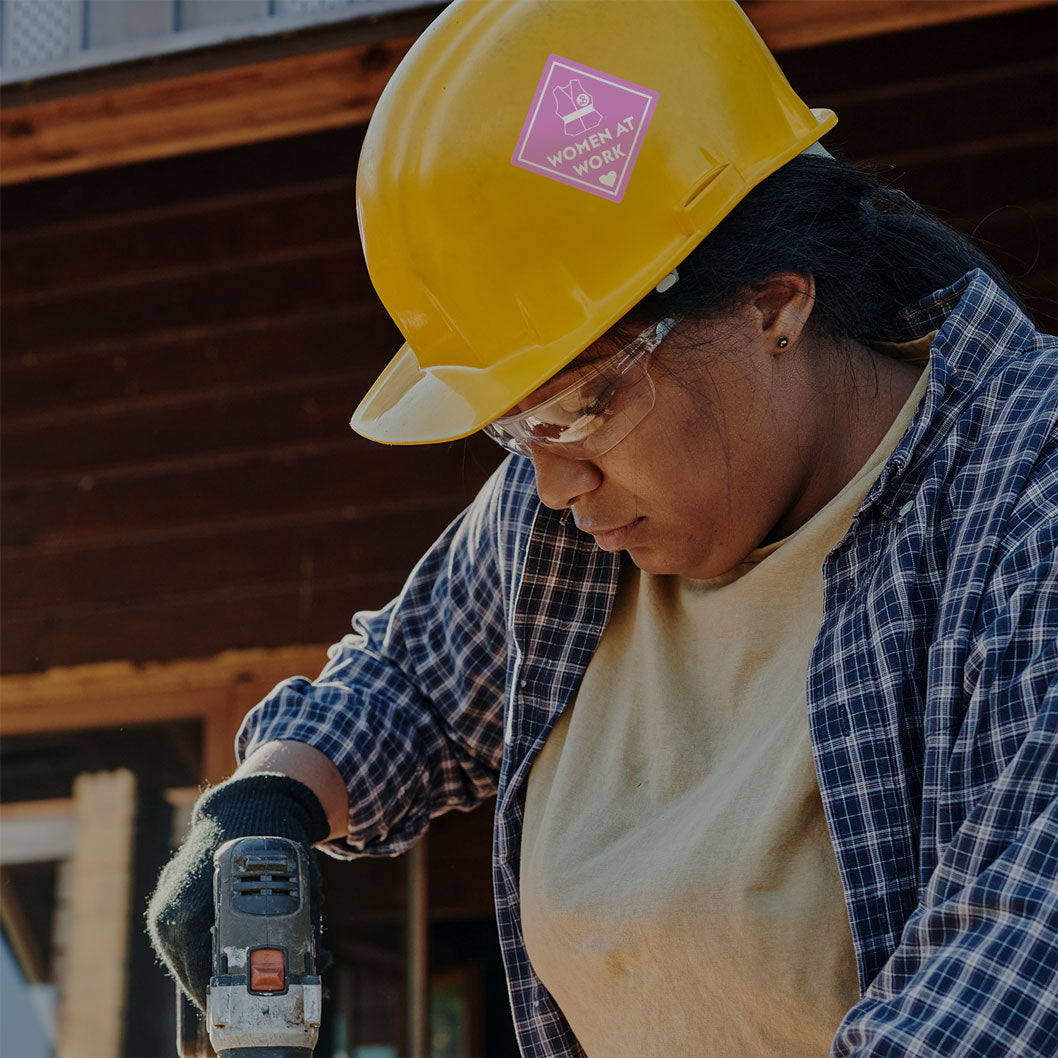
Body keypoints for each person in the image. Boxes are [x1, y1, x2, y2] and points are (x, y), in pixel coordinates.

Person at [147, 1, 1058, 1055]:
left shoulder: (1021, 499)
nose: (548, 482)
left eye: (577, 407)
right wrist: (270, 798)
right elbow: (405, 683)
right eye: (511, 427)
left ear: (773, 304)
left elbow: (1000, 987)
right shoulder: (563, 523)